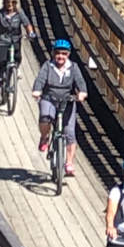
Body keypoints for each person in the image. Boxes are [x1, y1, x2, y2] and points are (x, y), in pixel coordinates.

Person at [31, 38, 87, 176]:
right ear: (53, 53)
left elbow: (80, 81)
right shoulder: (48, 66)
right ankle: (44, 136)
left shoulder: (73, 67)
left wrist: (82, 92)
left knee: (69, 133)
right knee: (45, 118)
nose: (60, 56)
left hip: (67, 101)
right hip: (49, 98)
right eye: (57, 53)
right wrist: (37, 90)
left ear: (68, 54)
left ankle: (69, 163)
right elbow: (40, 79)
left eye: (64, 53)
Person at [0, 0, 35, 105]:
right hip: (3, 42)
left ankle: (15, 69)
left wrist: (31, 33)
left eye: (12, 2)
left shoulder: (19, 13)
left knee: (18, 57)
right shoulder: (0, 13)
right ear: (4, 2)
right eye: (7, 2)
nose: (9, 4)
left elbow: (27, 24)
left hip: (15, 40)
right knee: (2, 63)